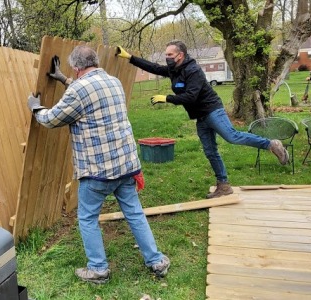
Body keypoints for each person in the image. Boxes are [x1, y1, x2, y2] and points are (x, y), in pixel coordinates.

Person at [27, 45, 170, 284]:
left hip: (98, 171)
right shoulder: (113, 82)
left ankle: (98, 269)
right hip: (126, 165)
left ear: (76, 67)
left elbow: (52, 119)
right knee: (134, 213)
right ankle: (156, 260)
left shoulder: (79, 89)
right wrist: (63, 79)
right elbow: (88, 94)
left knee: (87, 218)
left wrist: (35, 108)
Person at [117, 40, 289, 199]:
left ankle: (271, 144)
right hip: (200, 116)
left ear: (180, 55)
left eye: (169, 54)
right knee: (210, 151)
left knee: (232, 136)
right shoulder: (174, 69)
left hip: (213, 110)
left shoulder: (193, 70)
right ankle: (224, 185)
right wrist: (129, 58)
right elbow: (153, 67)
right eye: (166, 54)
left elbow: (191, 96)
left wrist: (167, 98)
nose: (166, 57)